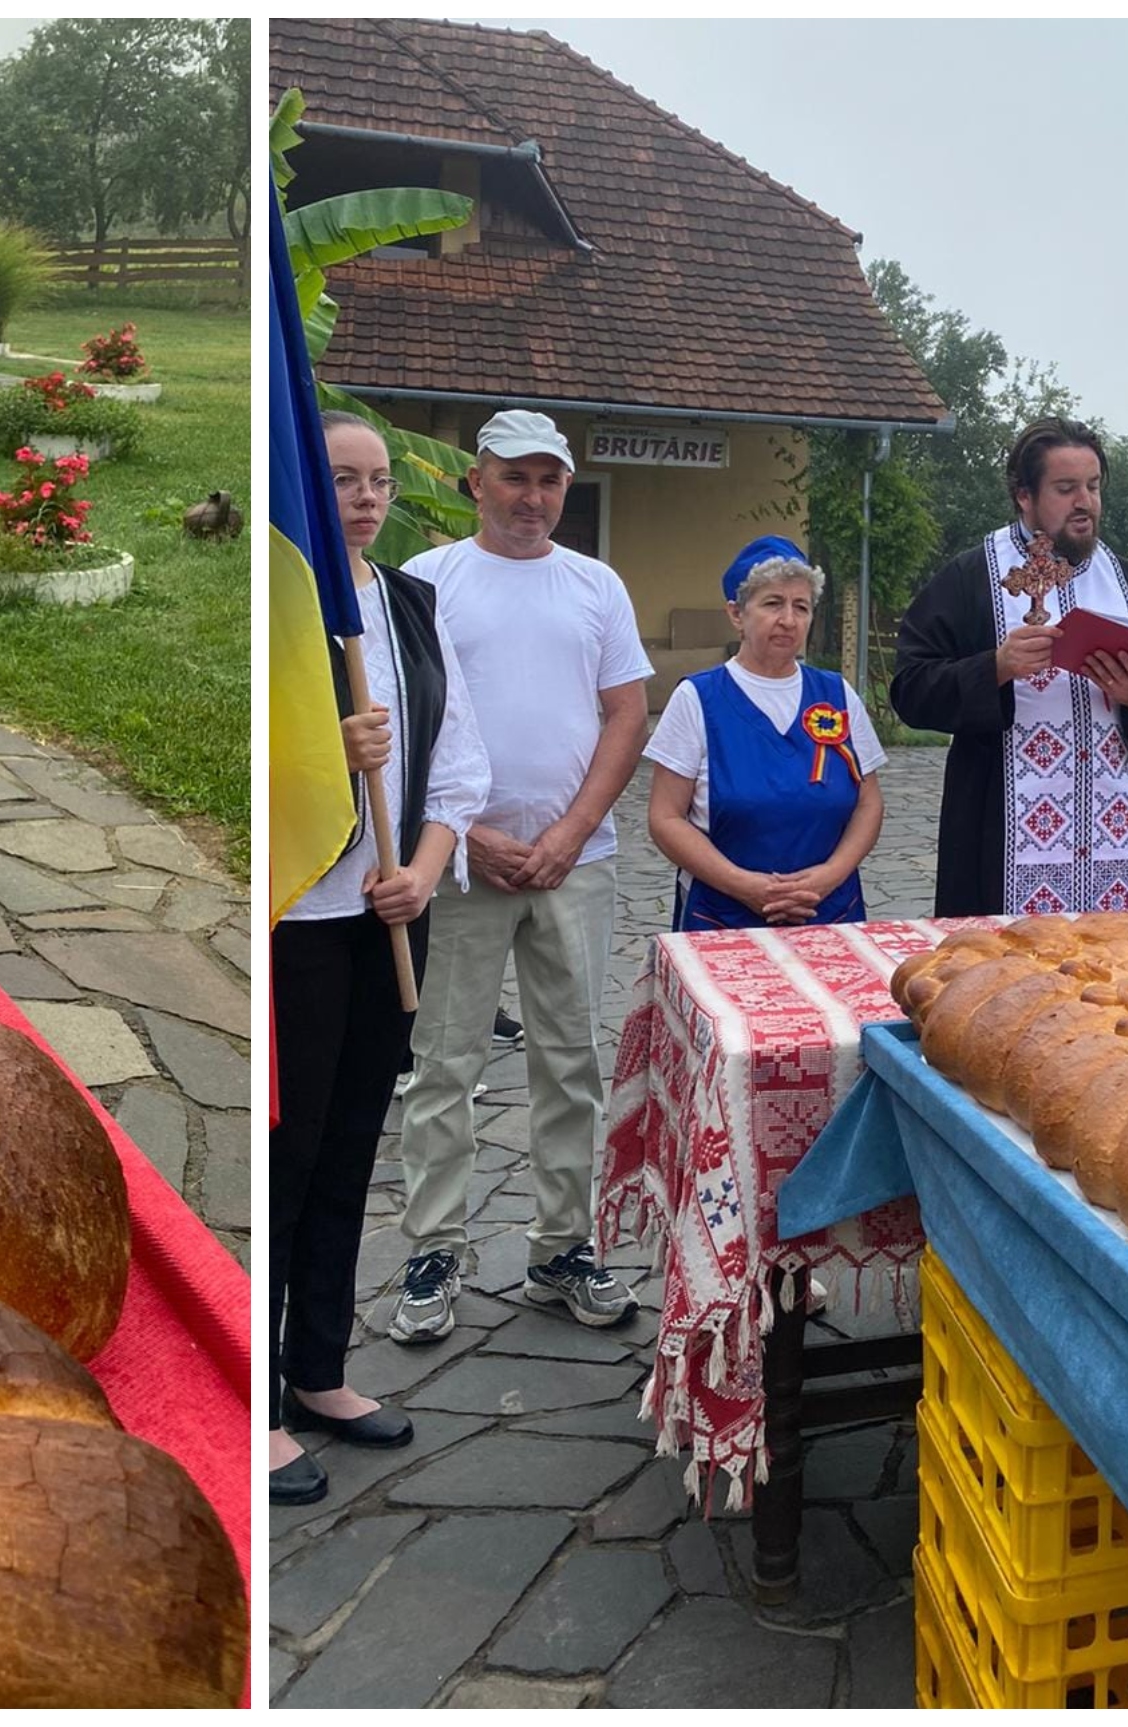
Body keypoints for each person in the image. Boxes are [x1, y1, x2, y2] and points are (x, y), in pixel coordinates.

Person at [384, 410, 652, 1344]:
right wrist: (471, 834)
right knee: (445, 1063)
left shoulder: (596, 585)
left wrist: (572, 832)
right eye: (514, 479)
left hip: (576, 863)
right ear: (476, 483)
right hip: (459, 863)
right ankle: (434, 1247)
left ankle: (561, 1248)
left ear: (564, 488)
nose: (532, 498)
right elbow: (409, 726)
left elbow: (626, 713)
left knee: (570, 1061)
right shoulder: (428, 582)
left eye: (548, 481)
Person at [270, 411, 489, 1507]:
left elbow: (460, 758)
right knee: (290, 1146)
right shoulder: (282, 606)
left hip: (389, 912)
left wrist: (429, 861)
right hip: (299, 917)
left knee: (357, 1136)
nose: (363, 496)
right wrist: (322, 745)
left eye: (379, 479)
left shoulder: (408, 602)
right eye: (343, 478)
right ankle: (253, 1401)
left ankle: (318, 1369)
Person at [892, 418, 1128, 917]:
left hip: (1112, 831)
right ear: (1024, 496)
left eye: (1093, 487)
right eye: (1065, 488)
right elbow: (909, 687)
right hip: (1000, 829)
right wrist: (995, 667)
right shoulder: (975, 576)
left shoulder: (1127, 579)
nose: (1085, 502)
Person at [644, 536, 887, 929]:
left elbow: (868, 804)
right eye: (773, 603)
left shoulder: (837, 695)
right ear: (737, 613)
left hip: (828, 911)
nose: (788, 620)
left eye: (801, 606)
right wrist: (745, 886)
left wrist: (828, 877)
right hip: (724, 914)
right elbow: (665, 817)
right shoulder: (698, 699)